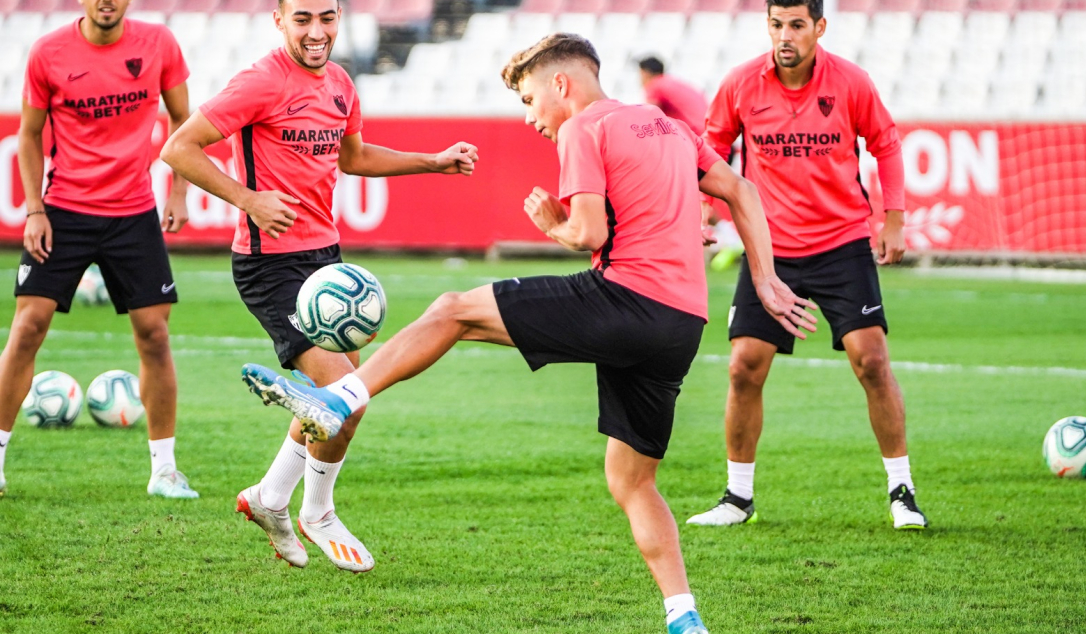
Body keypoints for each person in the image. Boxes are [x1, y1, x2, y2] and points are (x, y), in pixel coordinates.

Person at [238, 33, 816, 634]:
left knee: (452, 309)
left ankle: (339, 400)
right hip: (680, 326)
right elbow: (742, 190)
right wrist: (767, 281)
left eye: (528, 96)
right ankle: (683, 615)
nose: (530, 115)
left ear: (561, 84)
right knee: (632, 479)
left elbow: (589, 233)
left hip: (623, 299)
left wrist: (554, 225)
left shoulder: (583, 127)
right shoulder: (665, 126)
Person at [159, 0, 478, 572]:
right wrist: (248, 200)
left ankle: (270, 498)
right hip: (269, 265)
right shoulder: (259, 80)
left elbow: (352, 157)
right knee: (345, 404)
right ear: (279, 20)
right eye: (302, 18)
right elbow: (178, 147)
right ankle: (318, 512)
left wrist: (431, 162)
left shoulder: (340, 82)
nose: (316, 31)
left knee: (336, 399)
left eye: (326, 17)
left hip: (325, 263)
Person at [687, 0, 927, 530]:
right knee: (744, 365)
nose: (785, 35)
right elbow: (712, 148)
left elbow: (886, 142)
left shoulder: (851, 82)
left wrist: (894, 219)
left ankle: (902, 491)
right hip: (769, 245)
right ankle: (737, 497)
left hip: (842, 242)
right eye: (776, 25)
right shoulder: (741, 83)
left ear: (819, 27)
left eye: (796, 25)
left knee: (872, 361)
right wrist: (703, 209)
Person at [0, 0, 196, 499]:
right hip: (64, 211)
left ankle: (164, 471)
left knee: (154, 335)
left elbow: (183, 120)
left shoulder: (159, 44)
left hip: (133, 212)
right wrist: (35, 211)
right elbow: (27, 135)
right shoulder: (49, 52)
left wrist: (177, 191)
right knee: (27, 329)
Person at [637, 56, 709, 136]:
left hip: (693, 135)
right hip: (706, 132)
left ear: (645, 73)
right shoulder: (672, 82)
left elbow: (649, 115)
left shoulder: (654, 85)